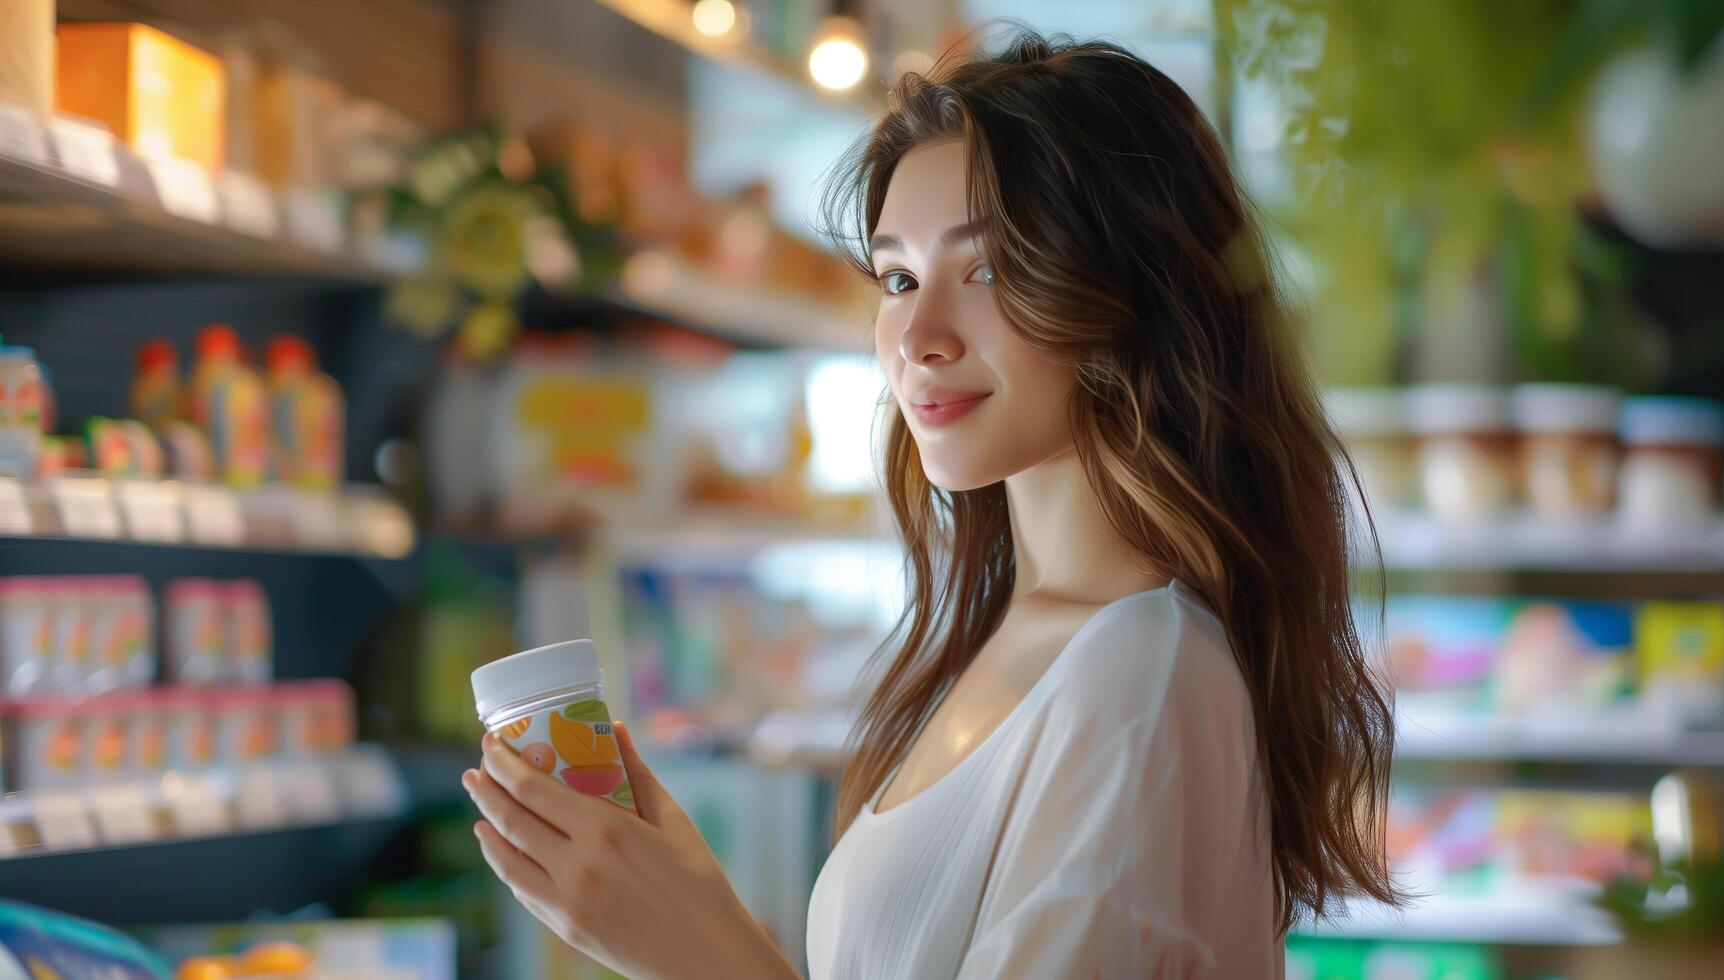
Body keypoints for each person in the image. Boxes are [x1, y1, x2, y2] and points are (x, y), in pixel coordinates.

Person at [461, 28, 1398, 979]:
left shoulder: (1140, 668)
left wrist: (700, 951)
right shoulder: (1012, 642)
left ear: (1131, 296)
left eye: (987, 269)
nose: (917, 335)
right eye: (898, 278)